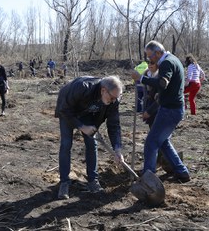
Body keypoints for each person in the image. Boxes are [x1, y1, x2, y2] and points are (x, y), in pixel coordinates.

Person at [55, 75, 125, 199]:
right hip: (68, 110)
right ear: (103, 90)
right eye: (112, 97)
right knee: (66, 144)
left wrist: (118, 149)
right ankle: (64, 182)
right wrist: (81, 127)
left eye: (117, 98)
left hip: (88, 113)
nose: (114, 100)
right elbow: (64, 110)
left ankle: (93, 181)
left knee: (92, 143)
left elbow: (114, 125)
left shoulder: (113, 100)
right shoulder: (82, 87)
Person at [131, 40, 190, 183]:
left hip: (169, 110)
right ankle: (182, 172)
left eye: (151, 56)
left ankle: (148, 178)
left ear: (158, 53)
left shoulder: (166, 63)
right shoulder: (173, 59)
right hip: (174, 108)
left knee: (151, 143)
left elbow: (163, 83)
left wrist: (142, 78)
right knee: (163, 142)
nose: (149, 60)